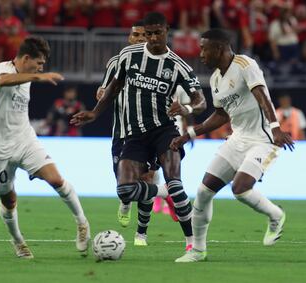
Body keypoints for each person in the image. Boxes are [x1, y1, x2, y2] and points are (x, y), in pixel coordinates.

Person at [71, 12, 207, 262]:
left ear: (167, 30)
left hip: (164, 131)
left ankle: (193, 245)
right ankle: (162, 192)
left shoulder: (178, 66)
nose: (154, 37)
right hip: (134, 135)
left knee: (176, 182)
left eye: (158, 32)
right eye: (149, 33)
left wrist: (186, 109)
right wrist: (94, 112)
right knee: (124, 190)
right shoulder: (128, 56)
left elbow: (201, 101)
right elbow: (114, 86)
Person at [170, 28, 294, 262]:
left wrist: (276, 127)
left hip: (263, 140)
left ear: (219, 48)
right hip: (237, 139)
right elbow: (220, 115)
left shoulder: (245, 64)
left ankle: (276, 215)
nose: (201, 54)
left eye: (204, 48)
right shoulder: (216, 79)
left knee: (240, 189)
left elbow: (261, 95)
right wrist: (190, 133)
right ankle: (198, 251)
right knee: (203, 192)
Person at [0, 36, 90, 259]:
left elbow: (1, 106)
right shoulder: (1, 70)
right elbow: (2, 82)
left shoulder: (27, 78)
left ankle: (82, 223)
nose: (42, 67)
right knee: (8, 199)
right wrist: (38, 76)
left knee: (56, 180)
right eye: (39, 63)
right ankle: (18, 241)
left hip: (25, 140)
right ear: (26, 58)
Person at [96, 20, 177, 247]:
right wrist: (102, 92)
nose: (140, 39)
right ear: (129, 38)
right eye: (136, 35)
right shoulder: (119, 61)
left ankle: (142, 233)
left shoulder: (164, 63)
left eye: (144, 35)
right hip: (122, 133)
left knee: (146, 178)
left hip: (148, 133)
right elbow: (104, 90)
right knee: (125, 189)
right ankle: (156, 194)